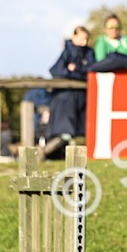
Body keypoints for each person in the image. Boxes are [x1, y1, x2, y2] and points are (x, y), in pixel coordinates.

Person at [43, 26, 94, 159]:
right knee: (63, 133)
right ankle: (45, 154)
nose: (83, 41)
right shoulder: (67, 52)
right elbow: (56, 71)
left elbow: (90, 71)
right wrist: (76, 72)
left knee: (78, 133)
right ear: (73, 37)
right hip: (64, 99)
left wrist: (73, 71)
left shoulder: (89, 53)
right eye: (81, 37)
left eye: (86, 38)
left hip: (80, 99)